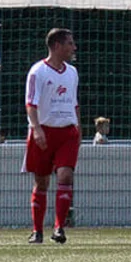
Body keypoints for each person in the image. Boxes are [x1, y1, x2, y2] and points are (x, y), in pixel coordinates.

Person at [23, 27, 80, 245]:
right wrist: (36, 128)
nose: (74, 48)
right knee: (42, 181)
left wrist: (78, 129)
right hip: (44, 131)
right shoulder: (38, 71)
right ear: (57, 46)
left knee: (65, 176)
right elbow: (31, 103)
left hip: (67, 133)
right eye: (70, 43)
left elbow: (74, 103)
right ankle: (37, 230)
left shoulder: (72, 72)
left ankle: (59, 227)